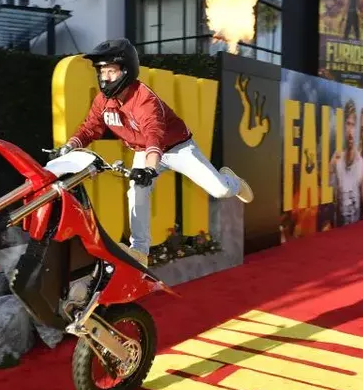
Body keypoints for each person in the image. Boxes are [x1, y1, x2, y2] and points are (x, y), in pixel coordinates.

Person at [53, 38, 253, 265]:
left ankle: (234, 182)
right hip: (144, 150)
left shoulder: (145, 100)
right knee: (136, 192)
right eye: (102, 72)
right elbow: (90, 128)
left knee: (220, 190)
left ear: (126, 71)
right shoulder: (103, 101)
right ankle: (139, 251)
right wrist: (68, 147)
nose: (105, 78)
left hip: (177, 148)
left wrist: (148, 169)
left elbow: (153, 136)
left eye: (111, 71)